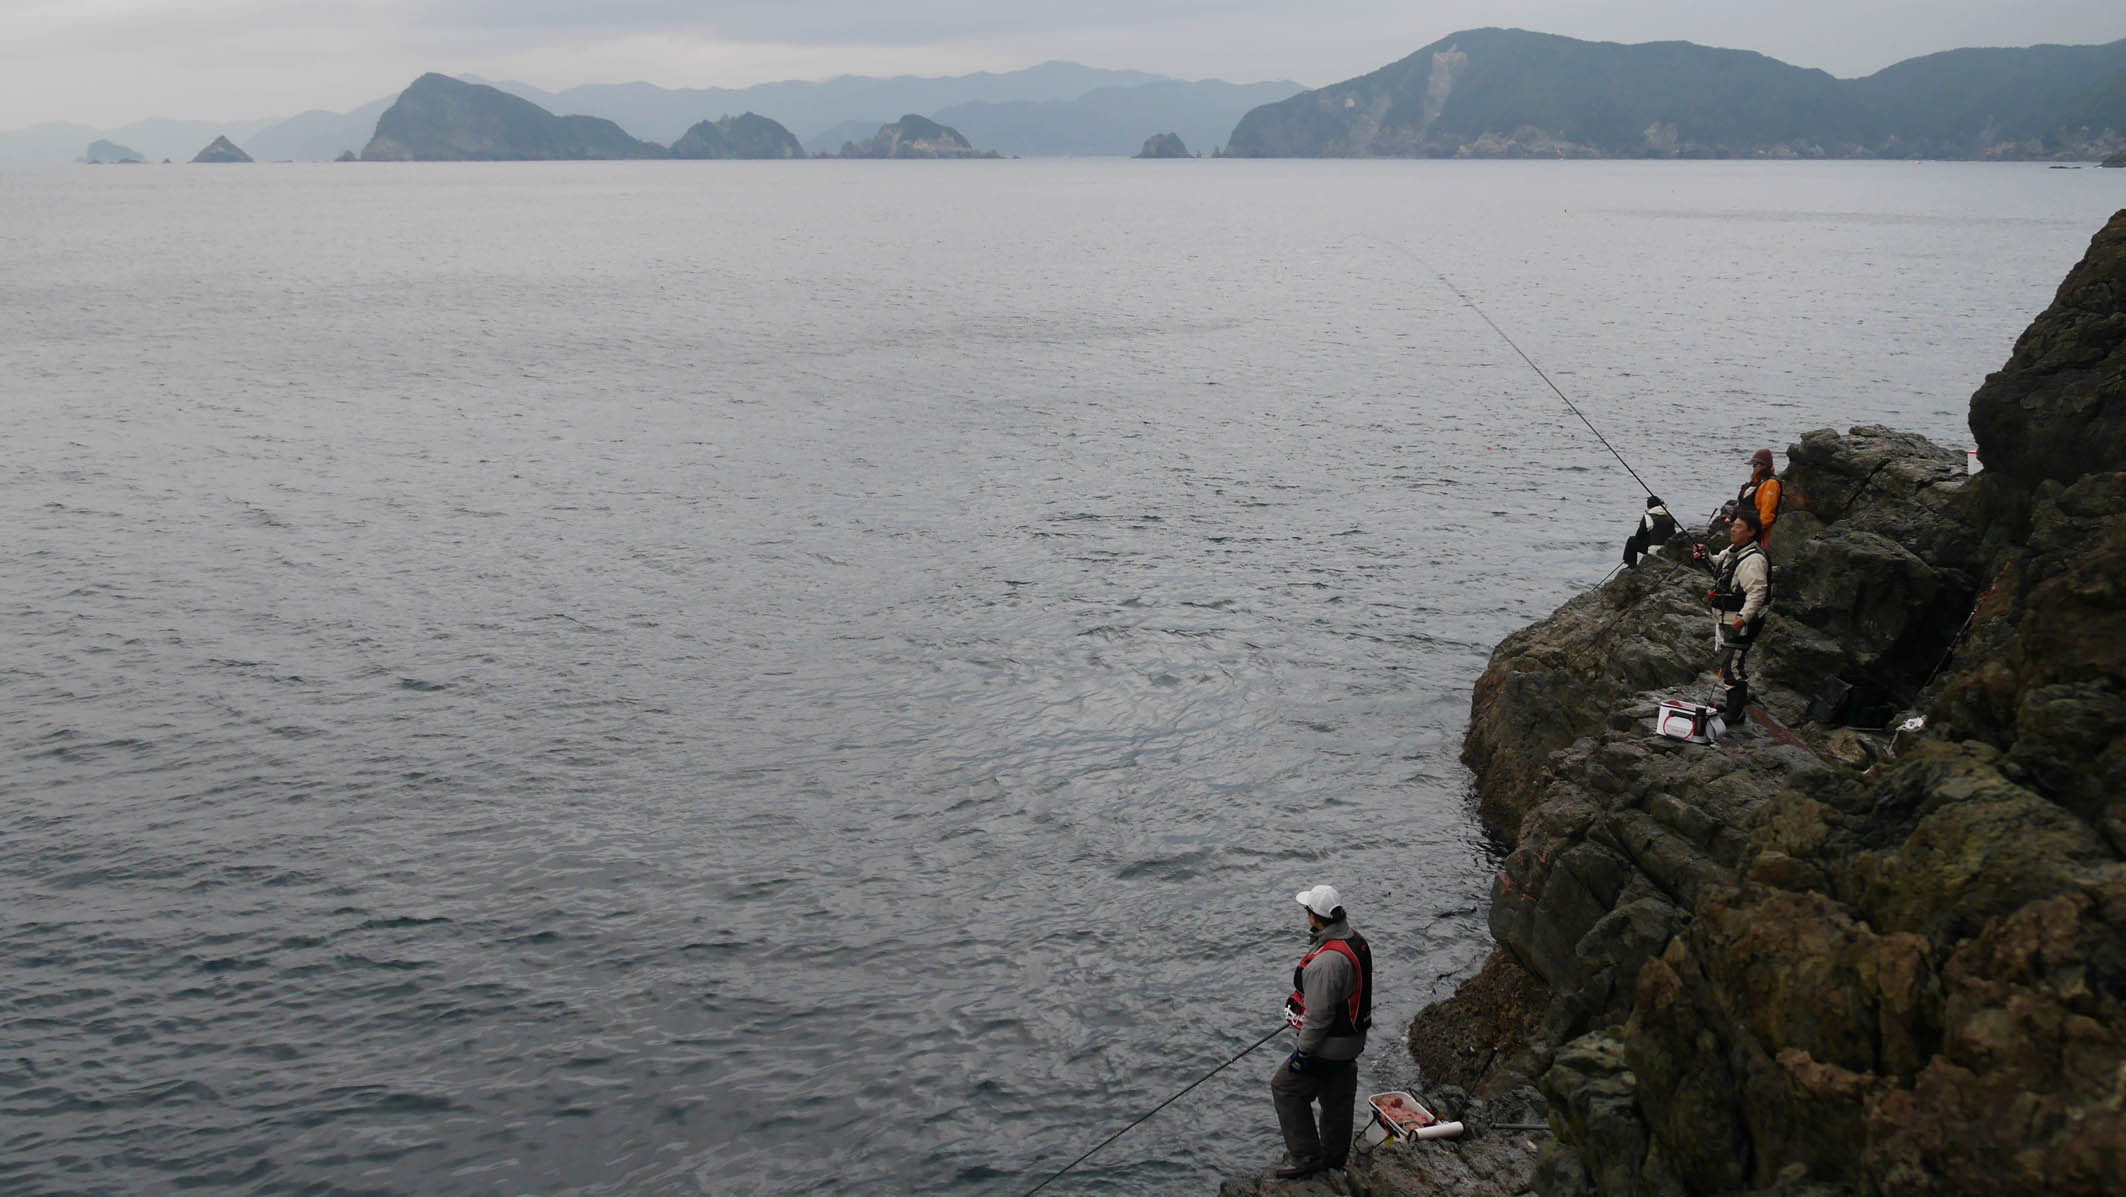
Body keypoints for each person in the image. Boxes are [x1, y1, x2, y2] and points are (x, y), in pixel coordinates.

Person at [1271, 884, 1372, 1180]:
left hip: (1329, 1046)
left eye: (1307, 912)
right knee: (1337, 1098)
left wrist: (1302, 1054)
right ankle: (1335, 1159)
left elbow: (1318, 1019)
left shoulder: (1326, 963)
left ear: (1314, 917)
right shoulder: (1357, 941)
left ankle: (1306, 1157)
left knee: (1285, 1088)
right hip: (1353, 1042)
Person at [1698, 507, 1771, 722]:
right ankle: (1732, 706)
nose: (1733, 530)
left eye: (1739, 527)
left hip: (1741, 622)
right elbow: (1718, 565)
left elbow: (1757, 593)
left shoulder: (1753, 560)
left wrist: (1742, 618)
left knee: (1733, 665)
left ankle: (1735, 713)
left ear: (1751, 532)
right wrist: (1704, 555)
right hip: (1727, 619)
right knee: (1728, 663)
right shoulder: (1734, 551)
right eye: (1733, 526)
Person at [1734, 448, 1781, 547]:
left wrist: (1754, 532)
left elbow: (1767, 514)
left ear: (1764, 466)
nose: (1753, 468)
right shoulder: (1756, 483)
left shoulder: (1771, 484)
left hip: (1756, 534)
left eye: (1755, 465)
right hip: (1746, 530)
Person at [1621, 494, 1678, 568]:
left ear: (1649, 506)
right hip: (1667, 550)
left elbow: (1639, 536)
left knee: (1631, 540)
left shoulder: (1647, 517)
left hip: (1653, 551)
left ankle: (1631, 565)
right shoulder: (1670, 517)